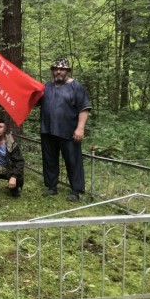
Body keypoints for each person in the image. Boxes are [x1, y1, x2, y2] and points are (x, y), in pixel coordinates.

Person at [40, 58, 92, 202]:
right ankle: (52, 186)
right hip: (48, 130)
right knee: (49, 160)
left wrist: (80, 128)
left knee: (73, 161)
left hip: (69, 131)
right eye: (55, 68)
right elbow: (34, 101)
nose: (58, 71)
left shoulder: (76, 87)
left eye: (62, 69)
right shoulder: (46, 87)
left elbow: (84, 108)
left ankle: (76, 190)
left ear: (67, 71)